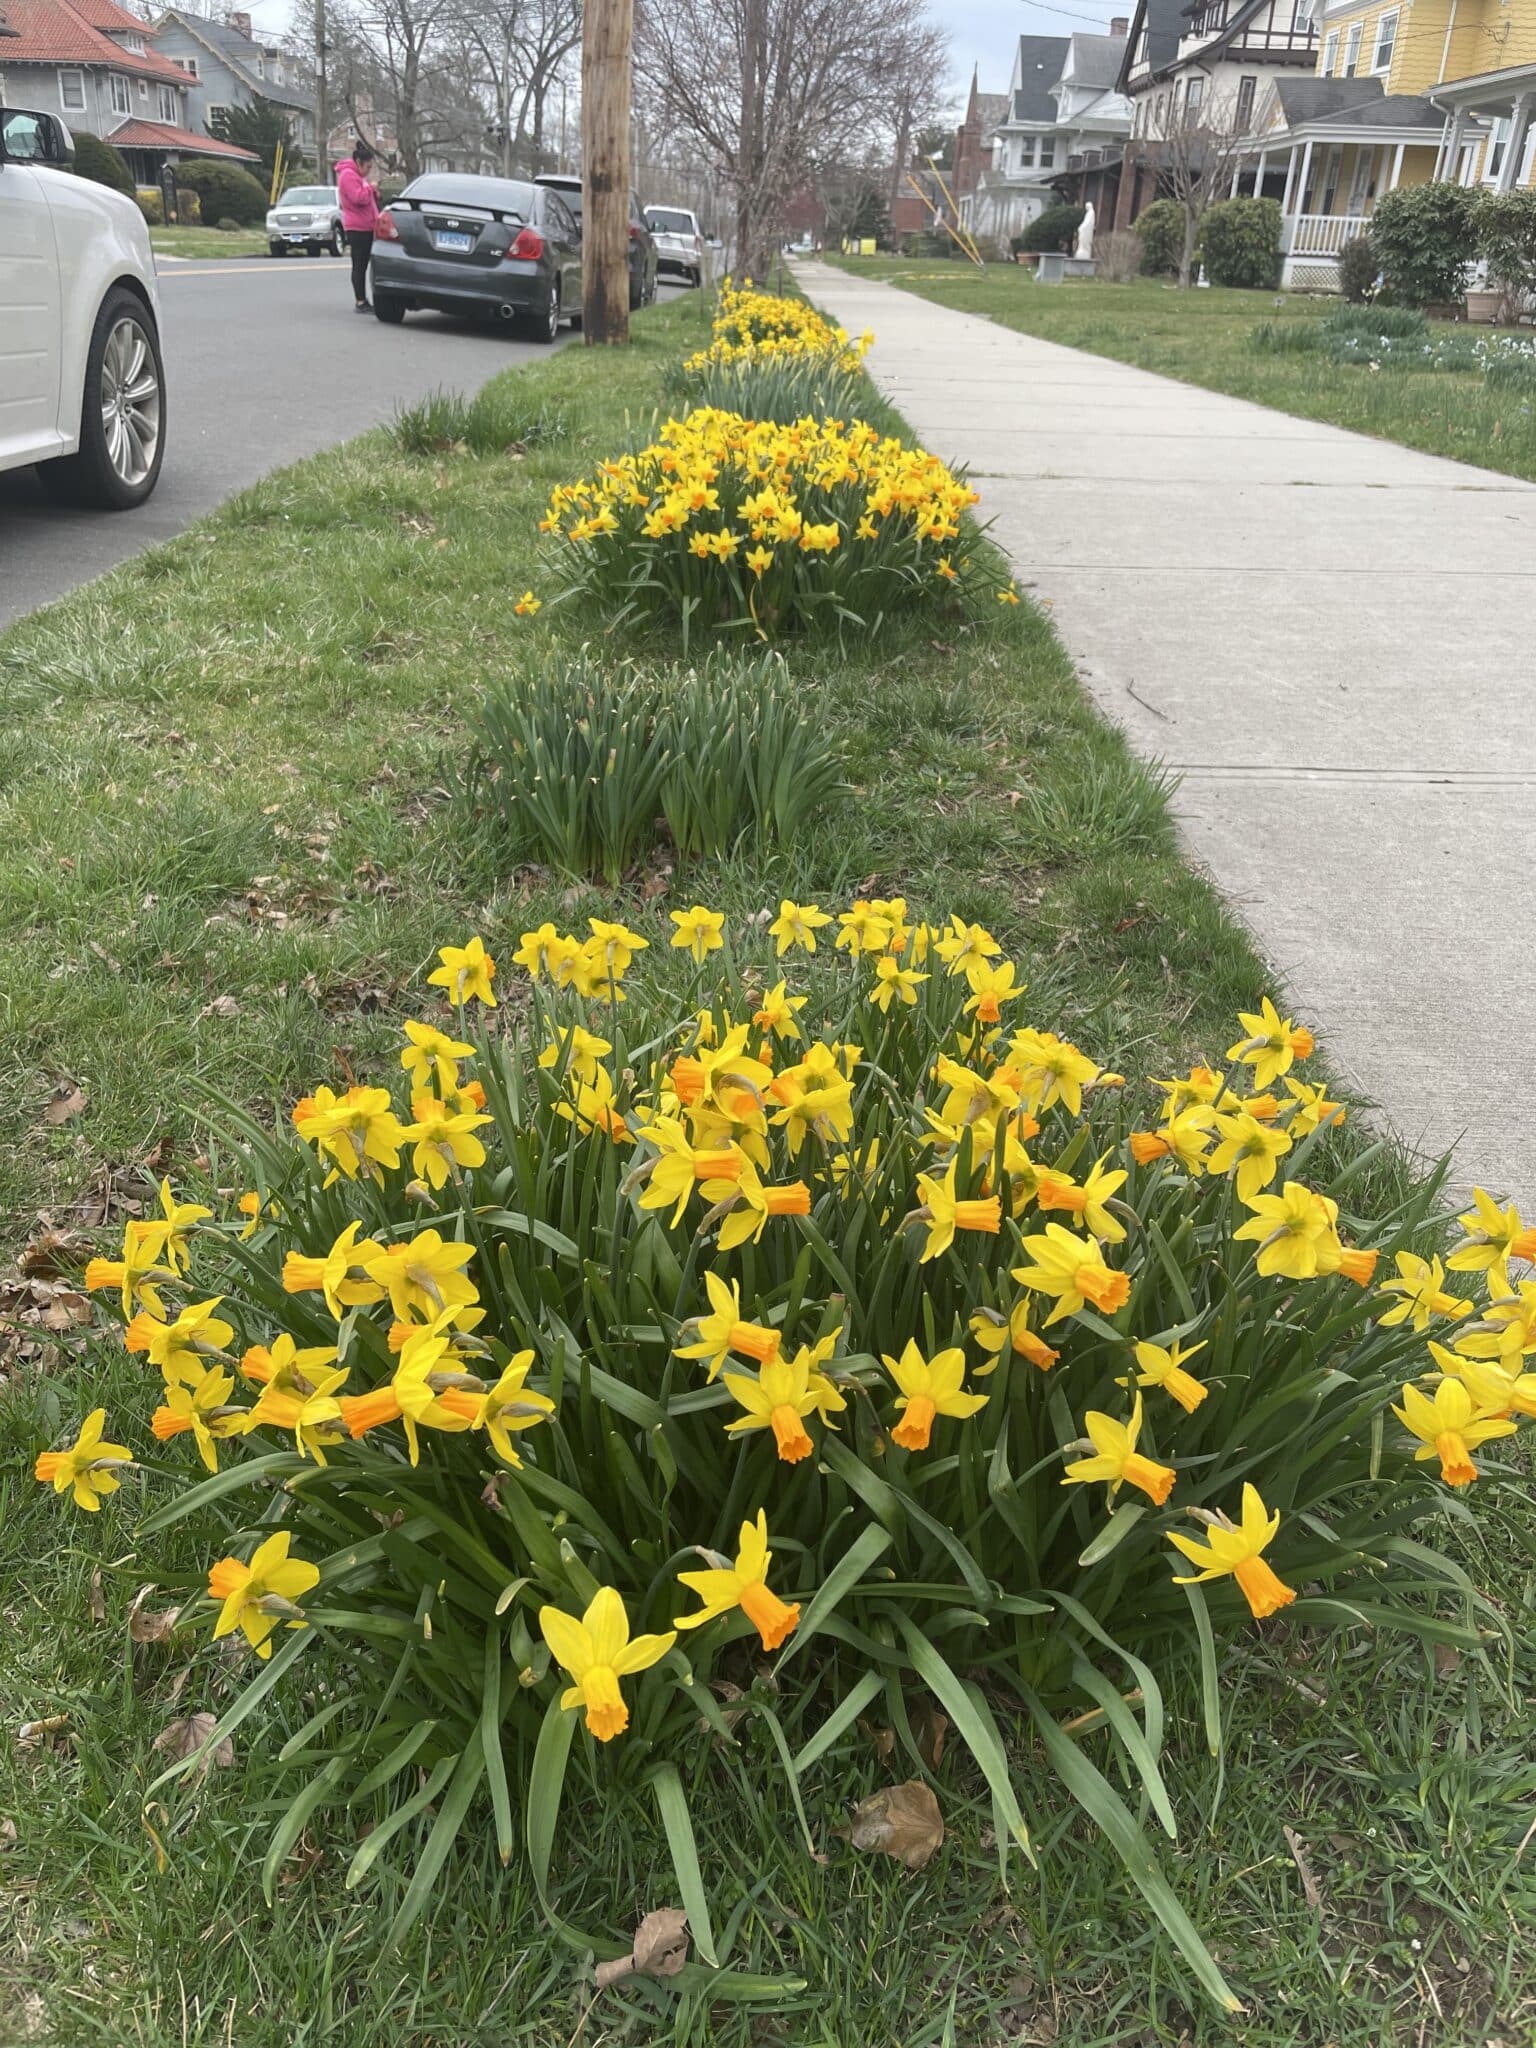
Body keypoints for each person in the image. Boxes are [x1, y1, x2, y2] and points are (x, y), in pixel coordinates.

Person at [337, 140, 381, 312]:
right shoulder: (348, 176)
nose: (369, 170)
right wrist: (370, 188)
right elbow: (358, 198)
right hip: (357, 228)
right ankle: (360, 301)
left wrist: (374, 193)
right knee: (359, 265)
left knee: (368, 263)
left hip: (368, 225)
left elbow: (368, 199)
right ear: (359, 163)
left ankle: (367, 299)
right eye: (368, 167)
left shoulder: (359, 177)